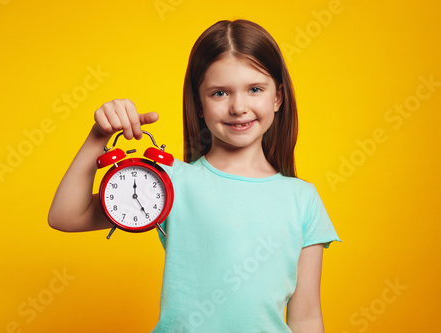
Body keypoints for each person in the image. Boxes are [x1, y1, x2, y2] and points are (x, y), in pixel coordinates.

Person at [48, 19, 341, 333]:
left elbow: (305, 316)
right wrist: (99, 136)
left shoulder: (303, 199)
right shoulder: (170, 182)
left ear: (278, 97)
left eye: (255, 89)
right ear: (199, 104)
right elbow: (67, 215)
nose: (238, 107)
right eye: (219, 93)